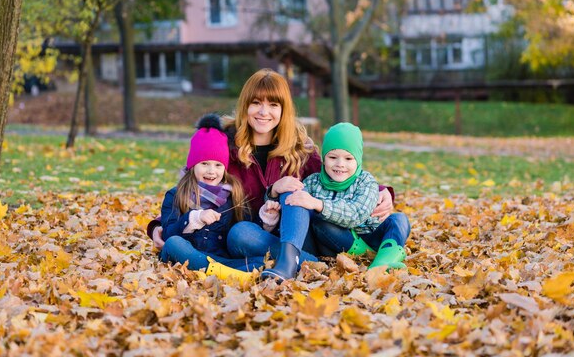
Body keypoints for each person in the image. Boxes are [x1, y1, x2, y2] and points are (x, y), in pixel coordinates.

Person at [148, 68, 395, 280]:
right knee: (240, 232)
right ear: (245, 105)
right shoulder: (225, 144)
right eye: (256, 103)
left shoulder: (299, 147)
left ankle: (290, 260)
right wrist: (160, 225)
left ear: (283, 109)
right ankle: (302, 262)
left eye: (273, 104)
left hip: (296, 235)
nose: (263, 112)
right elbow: (193, 185)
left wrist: (383, 191)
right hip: (248, 238)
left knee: (293, 189)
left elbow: (336, 173)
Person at [153, 115, 265, 282]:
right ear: (192, 165)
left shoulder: (233, 194)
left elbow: (247, 227)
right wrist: (194, 218)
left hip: (221, 259)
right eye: (204, 163)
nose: (211, 171)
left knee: (262, 261)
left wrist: (267, 219)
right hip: (186, 255)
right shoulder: (176, 195)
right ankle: (226, 274)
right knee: (173, 244)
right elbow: (168, 233)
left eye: (218, 165)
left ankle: (219, 271)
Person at [284, 122, 411, 269]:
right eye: (332, 157)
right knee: (320, 224)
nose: (340, 164)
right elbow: (296, 204)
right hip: (340, 241)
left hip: (370, 236)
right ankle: (365, 255)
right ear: (323, 158)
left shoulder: (365, 181)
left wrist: (319, 204)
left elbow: (356, 214)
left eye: (348, 159)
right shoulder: (312, 182)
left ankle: (383, 261)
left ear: (358, 160)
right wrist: (272, 201)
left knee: (399, 219)